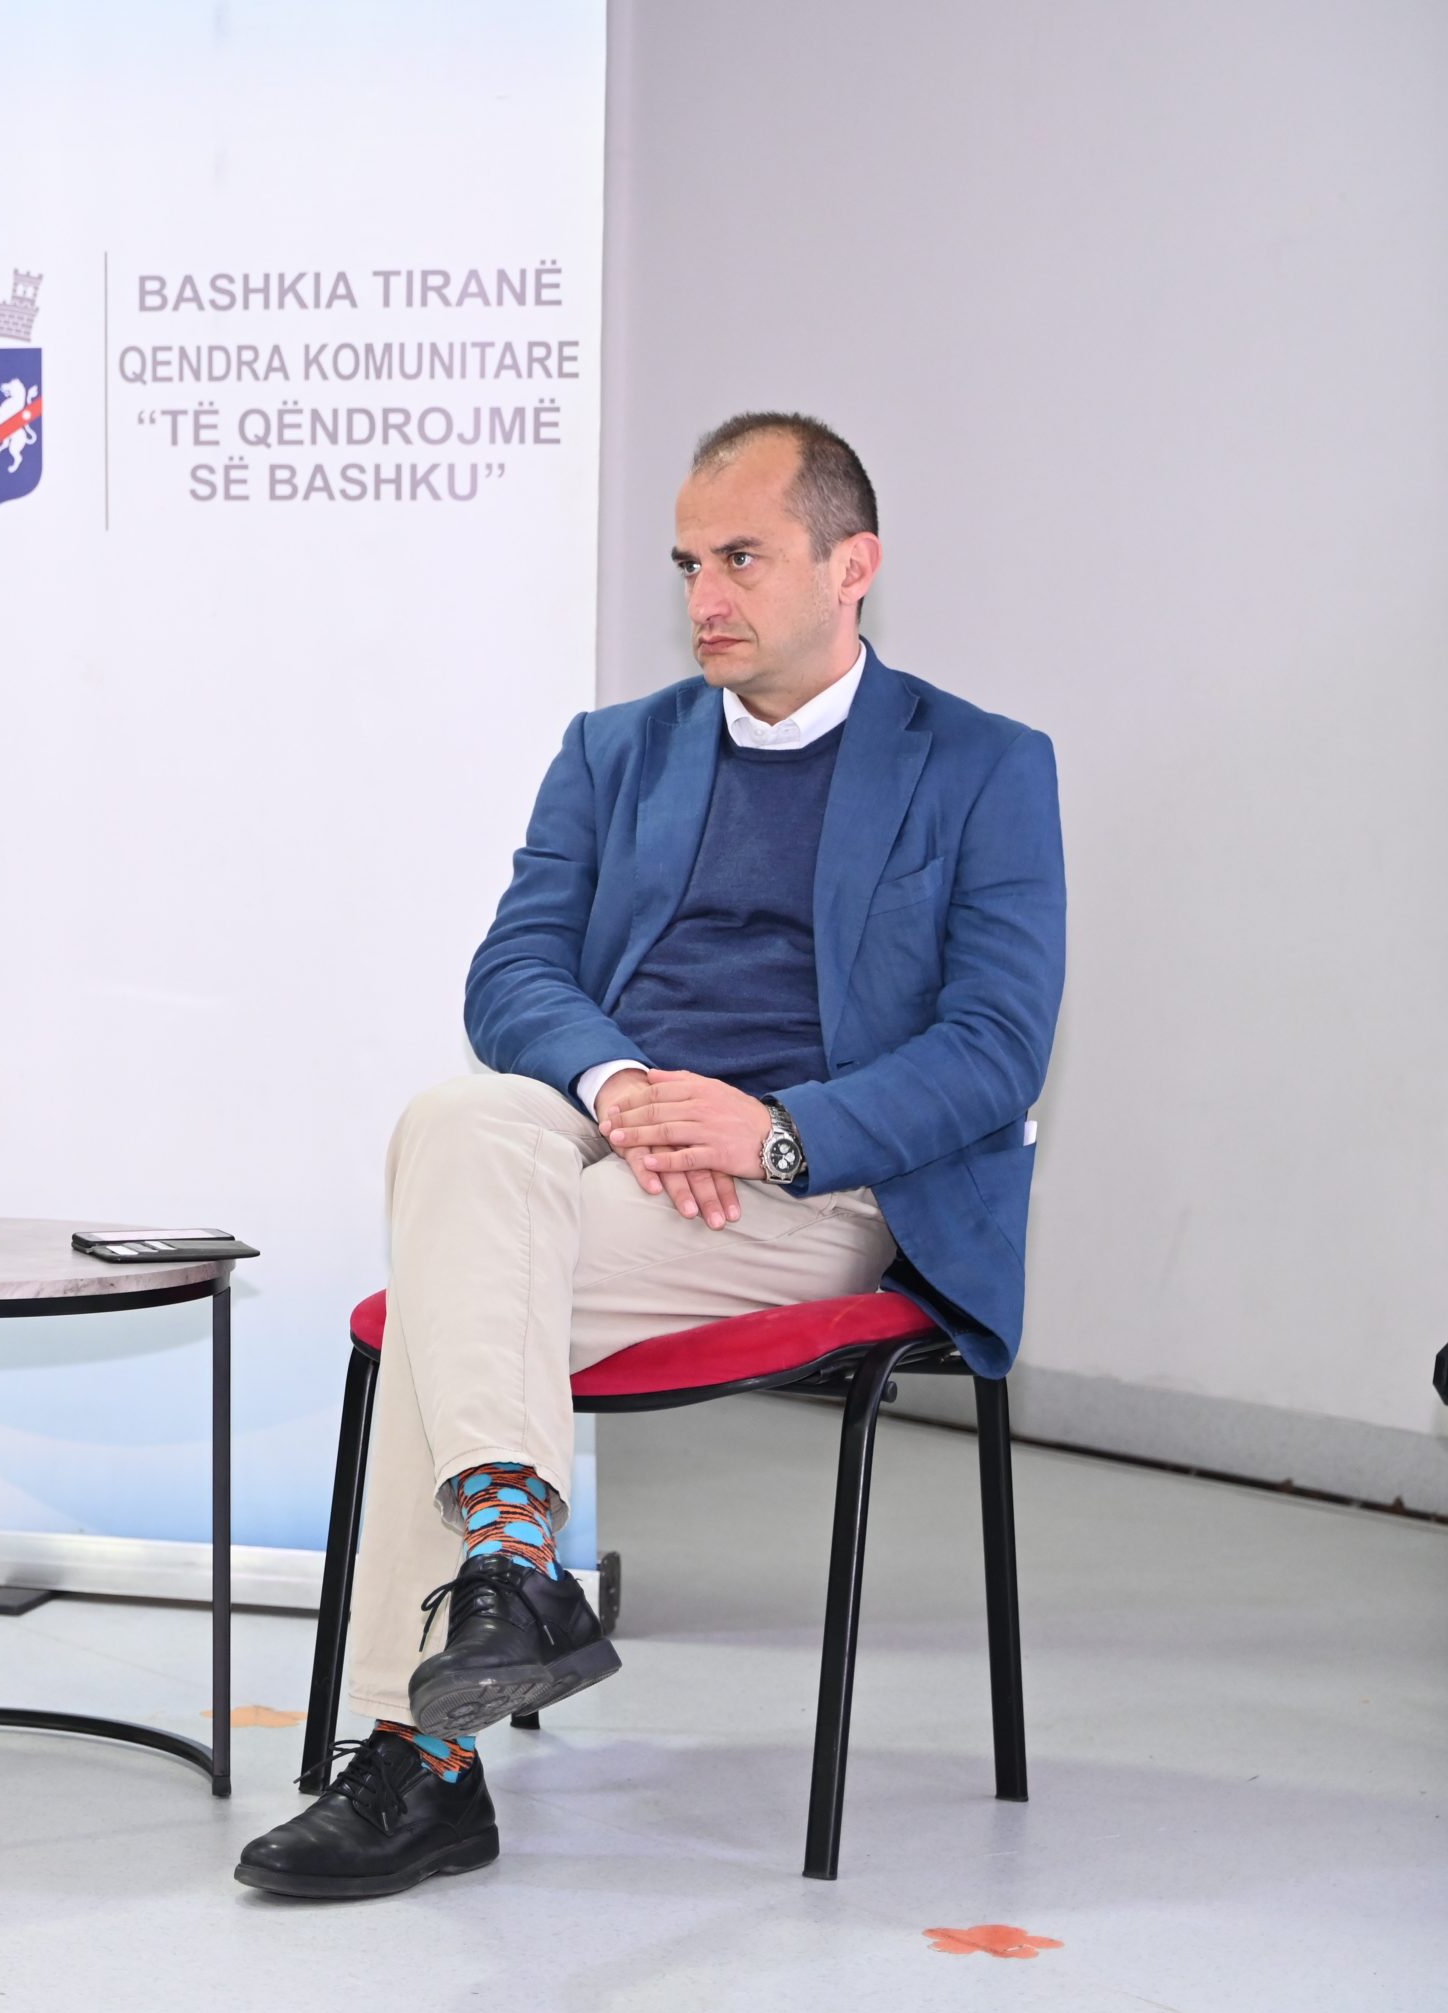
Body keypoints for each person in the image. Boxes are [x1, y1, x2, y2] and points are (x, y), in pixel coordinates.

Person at [235, 413, 1066, 1898]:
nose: (705, 597)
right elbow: (513, 974)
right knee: (456, 1120)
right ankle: (513, 1574)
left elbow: (995, 1046)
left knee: (452, 1306)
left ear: (853, 566)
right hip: (615, 1133)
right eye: (688, 564)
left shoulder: (983, 765)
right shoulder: (616, 751)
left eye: (742, 557)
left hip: (821, 1176)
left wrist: (775, 1130)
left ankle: (423, 1761)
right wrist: (622, 1090)